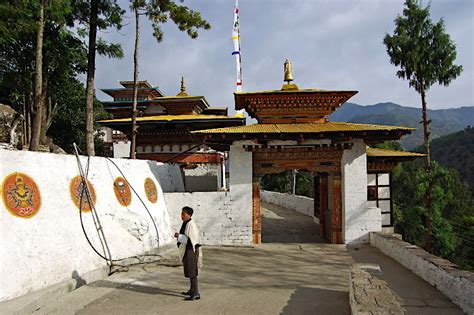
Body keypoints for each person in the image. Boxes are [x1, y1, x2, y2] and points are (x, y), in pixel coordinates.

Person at [174, 206, 202, 301]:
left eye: (183, 214)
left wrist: (179, 236)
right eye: (181, 214)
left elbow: (191, 240)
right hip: (187, 249)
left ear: (189, 215)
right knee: (189, 270)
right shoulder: (186, 223)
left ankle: (196, 293)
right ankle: (192, 289)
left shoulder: (191, 225)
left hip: (191, 250)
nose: (181, 216)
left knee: (192, 271)